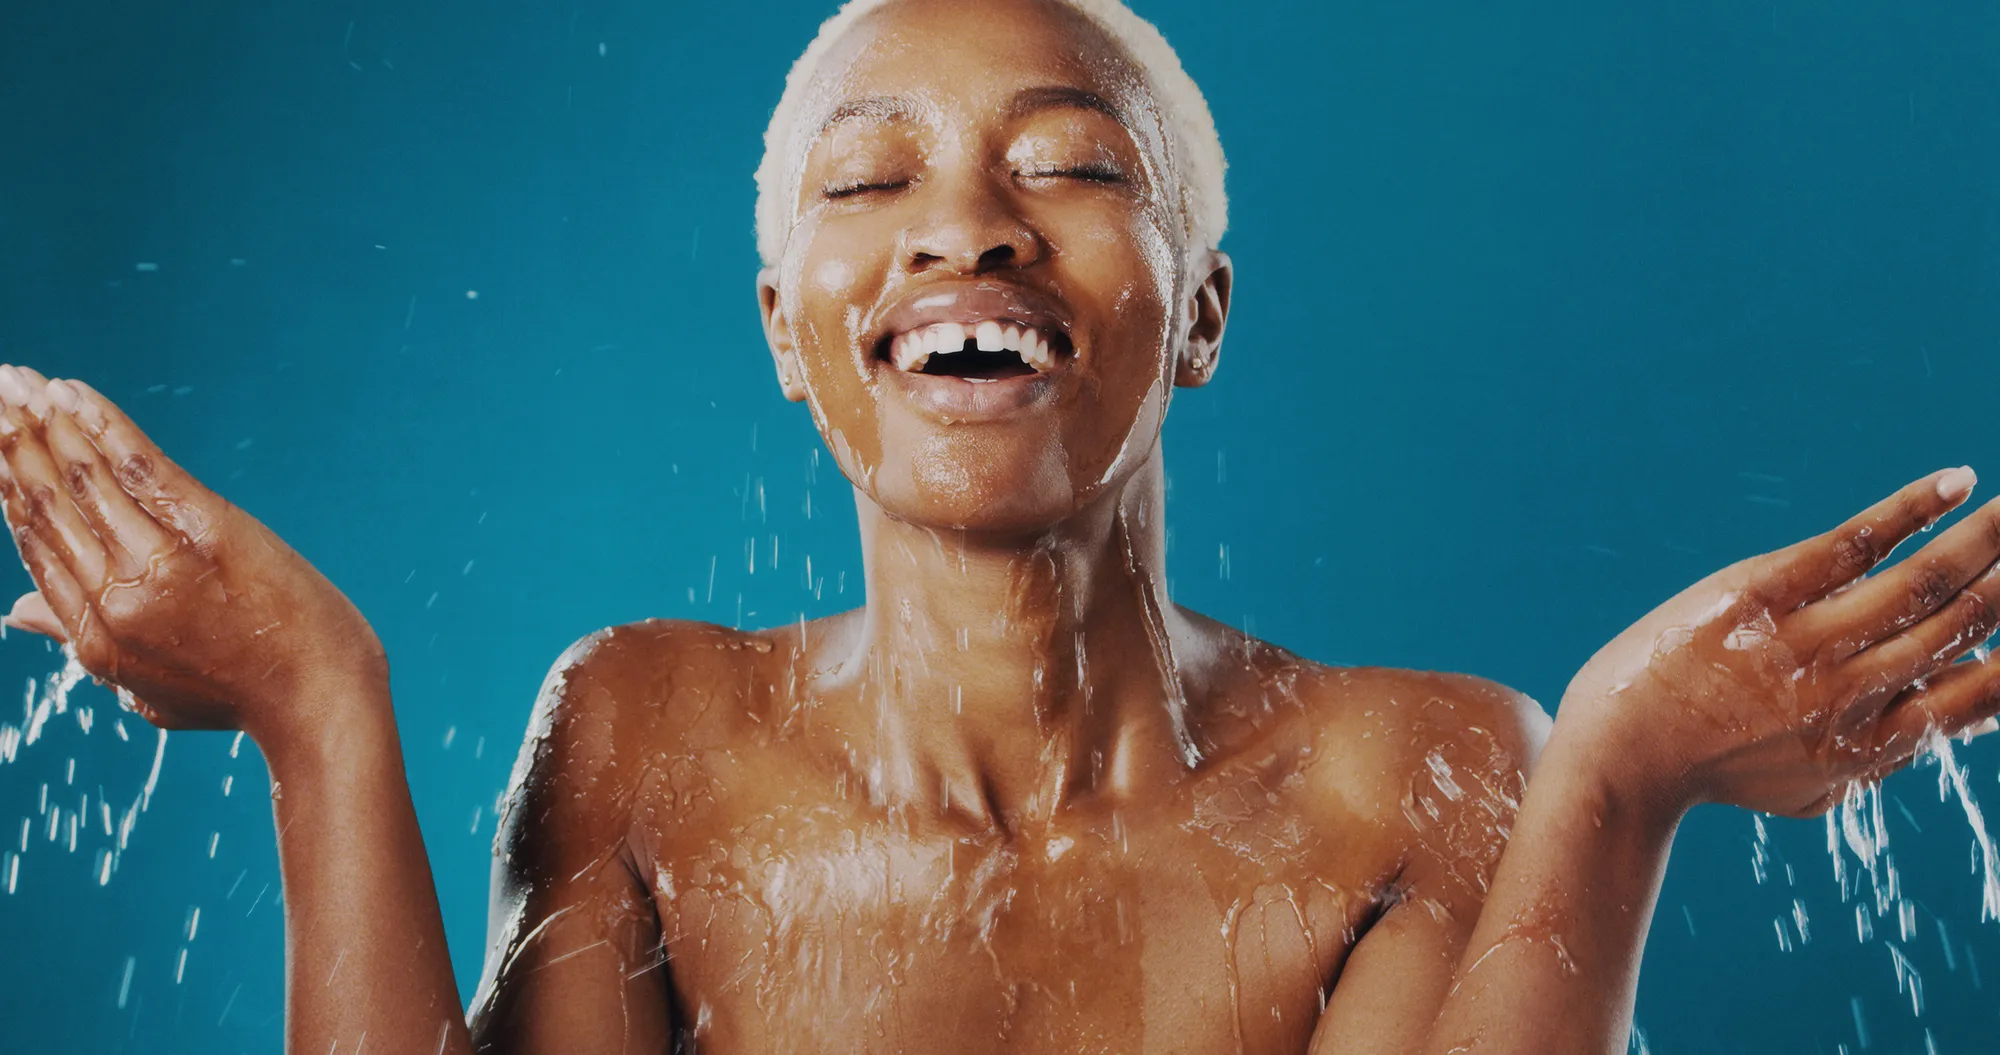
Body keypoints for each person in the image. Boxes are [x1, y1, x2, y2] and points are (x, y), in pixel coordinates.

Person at [5, 0, 1998, 1051]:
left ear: (1200, 307)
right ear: (788, 333)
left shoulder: (1428, 774)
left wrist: (1620, 783)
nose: (969, 225)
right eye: (870, 183)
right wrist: (316, 707)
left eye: (1065, 163)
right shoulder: (645, 742)